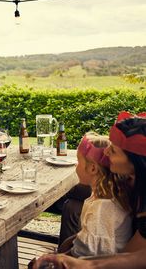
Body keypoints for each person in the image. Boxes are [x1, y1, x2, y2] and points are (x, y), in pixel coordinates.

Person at [33, 112, 146, 269]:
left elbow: (134, 257)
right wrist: (69, 247)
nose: (106, 152)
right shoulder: (129, 178)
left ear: (135, 161)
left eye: (113, 150)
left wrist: (73, 260)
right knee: (71, 203)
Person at [59, 132, 132, 257]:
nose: (76, 166)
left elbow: (88, 252)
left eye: (79, 162)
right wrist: (69, 242)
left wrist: (59, 257)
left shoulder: (103, 208)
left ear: (93, 169)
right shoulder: (104, 197)